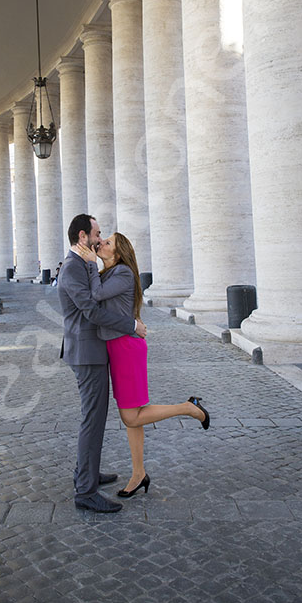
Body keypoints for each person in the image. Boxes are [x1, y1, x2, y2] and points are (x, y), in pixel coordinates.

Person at [77, 232, 210, 498]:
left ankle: (188, 408)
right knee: (133, 418)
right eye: (101, 240)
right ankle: (139, 474)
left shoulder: (123, 273)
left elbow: (96, 294)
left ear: (118, 252)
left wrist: (91, 263)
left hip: (126, 348)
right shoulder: (109, 272)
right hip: (117, 347)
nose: (100, 243)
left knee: (130, 415)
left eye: (107, 243)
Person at [57, 214, 148, 514]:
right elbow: (92, 312)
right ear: (83, 236)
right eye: (97, 234)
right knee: (92, 421)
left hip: (92, 351)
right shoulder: (72, 268)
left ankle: (88, 473)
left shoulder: (81, 264)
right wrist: (131, 325)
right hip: (87, 353)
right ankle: (85, 490)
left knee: (94, 418)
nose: (99, 239)